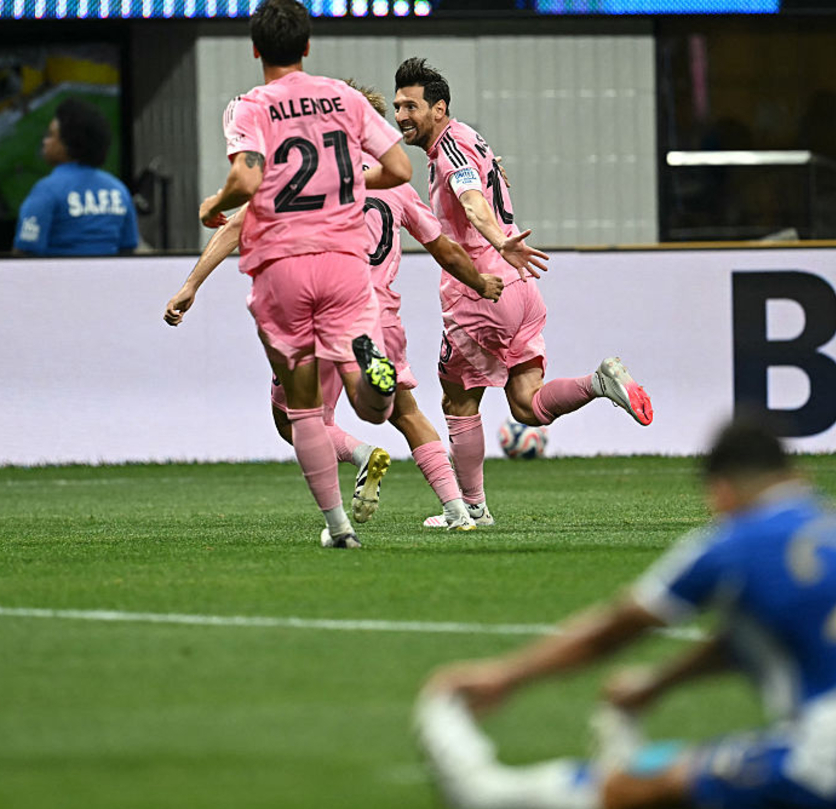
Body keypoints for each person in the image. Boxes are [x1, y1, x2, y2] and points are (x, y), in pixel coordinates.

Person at [415, 416, 836, 809]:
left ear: (720, 491)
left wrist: (505, 677)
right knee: (729, 757)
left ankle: (490, 792)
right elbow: (751, 639)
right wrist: (657, 685)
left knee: (653, 788)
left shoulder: (738, 541)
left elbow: (617, 629)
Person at [165, 82, 508, 532]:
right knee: (405, 413)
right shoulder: (397, 185)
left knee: (295, 419)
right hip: (380, 316)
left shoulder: (307, 175)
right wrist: (480, 281)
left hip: (321, 310)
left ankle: (361, 457)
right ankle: (458, 510)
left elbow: (236, 228)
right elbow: (443, 248)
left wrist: (190, 285)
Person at [393, 57, 654, 529]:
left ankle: (472, 509)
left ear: (439, 108)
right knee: (526, 405)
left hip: (481, 291)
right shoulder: (470, 138)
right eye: (398, 107)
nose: (401, 116)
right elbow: (482, 184)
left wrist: (498, 242)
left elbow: (473, 203)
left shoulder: (450, 150)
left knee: (458, 403)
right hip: (522, 291)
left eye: (411, 106)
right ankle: (598, 383)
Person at [198, 0, 412, 549]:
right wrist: (346, 185)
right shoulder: (343, 98)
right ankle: (375, 385)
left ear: (255, 50)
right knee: (364, 396)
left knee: (302, 407)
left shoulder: (250, 107)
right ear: (308, 46)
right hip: (344, 261)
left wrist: (212, 204)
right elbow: (399, 168)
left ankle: (339, 528)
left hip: (282, 267)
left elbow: (246, 181)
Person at [13, 97, 139, 256]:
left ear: (69, 143)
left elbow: (25, 252)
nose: (45, 141)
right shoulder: (119, 190)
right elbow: (128, 248)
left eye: (51, 135)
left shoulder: (46, 190)